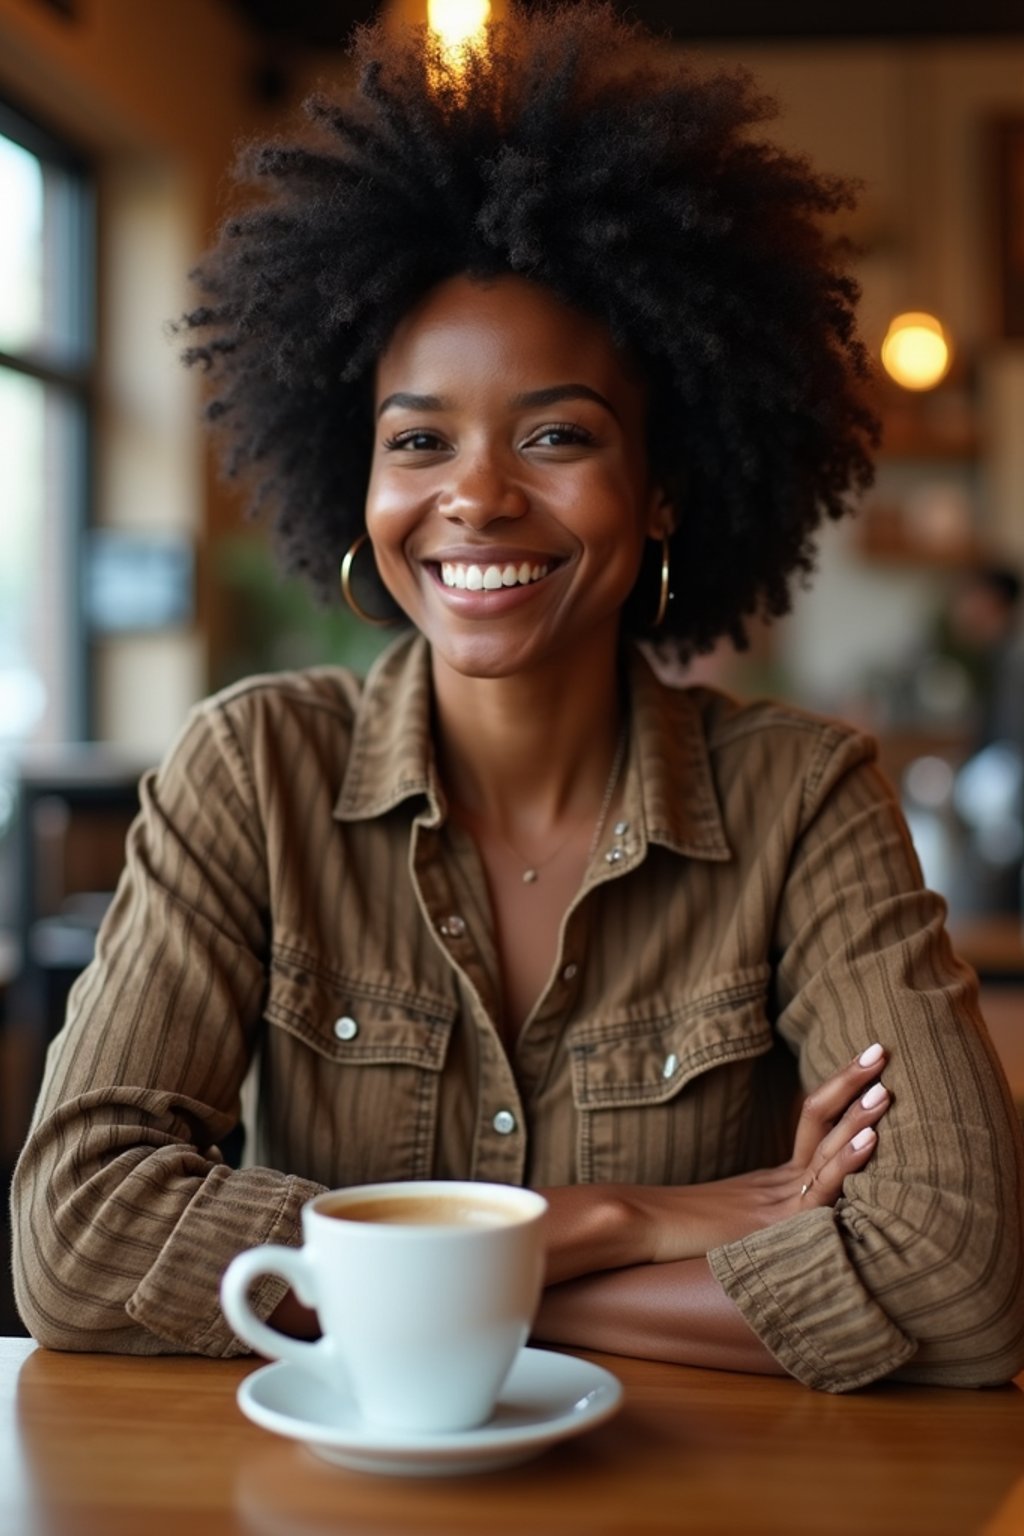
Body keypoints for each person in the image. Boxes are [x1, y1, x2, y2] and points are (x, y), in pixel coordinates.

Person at [11, 3, 1024, 1391]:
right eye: (417, 439)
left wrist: (447, 1297)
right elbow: (77, 1239)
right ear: (355, 482)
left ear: (663, 487)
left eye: (557, 433)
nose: (476, 495)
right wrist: (625, 1227)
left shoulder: (804, 798)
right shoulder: (253, 771)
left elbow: (961, 1277)